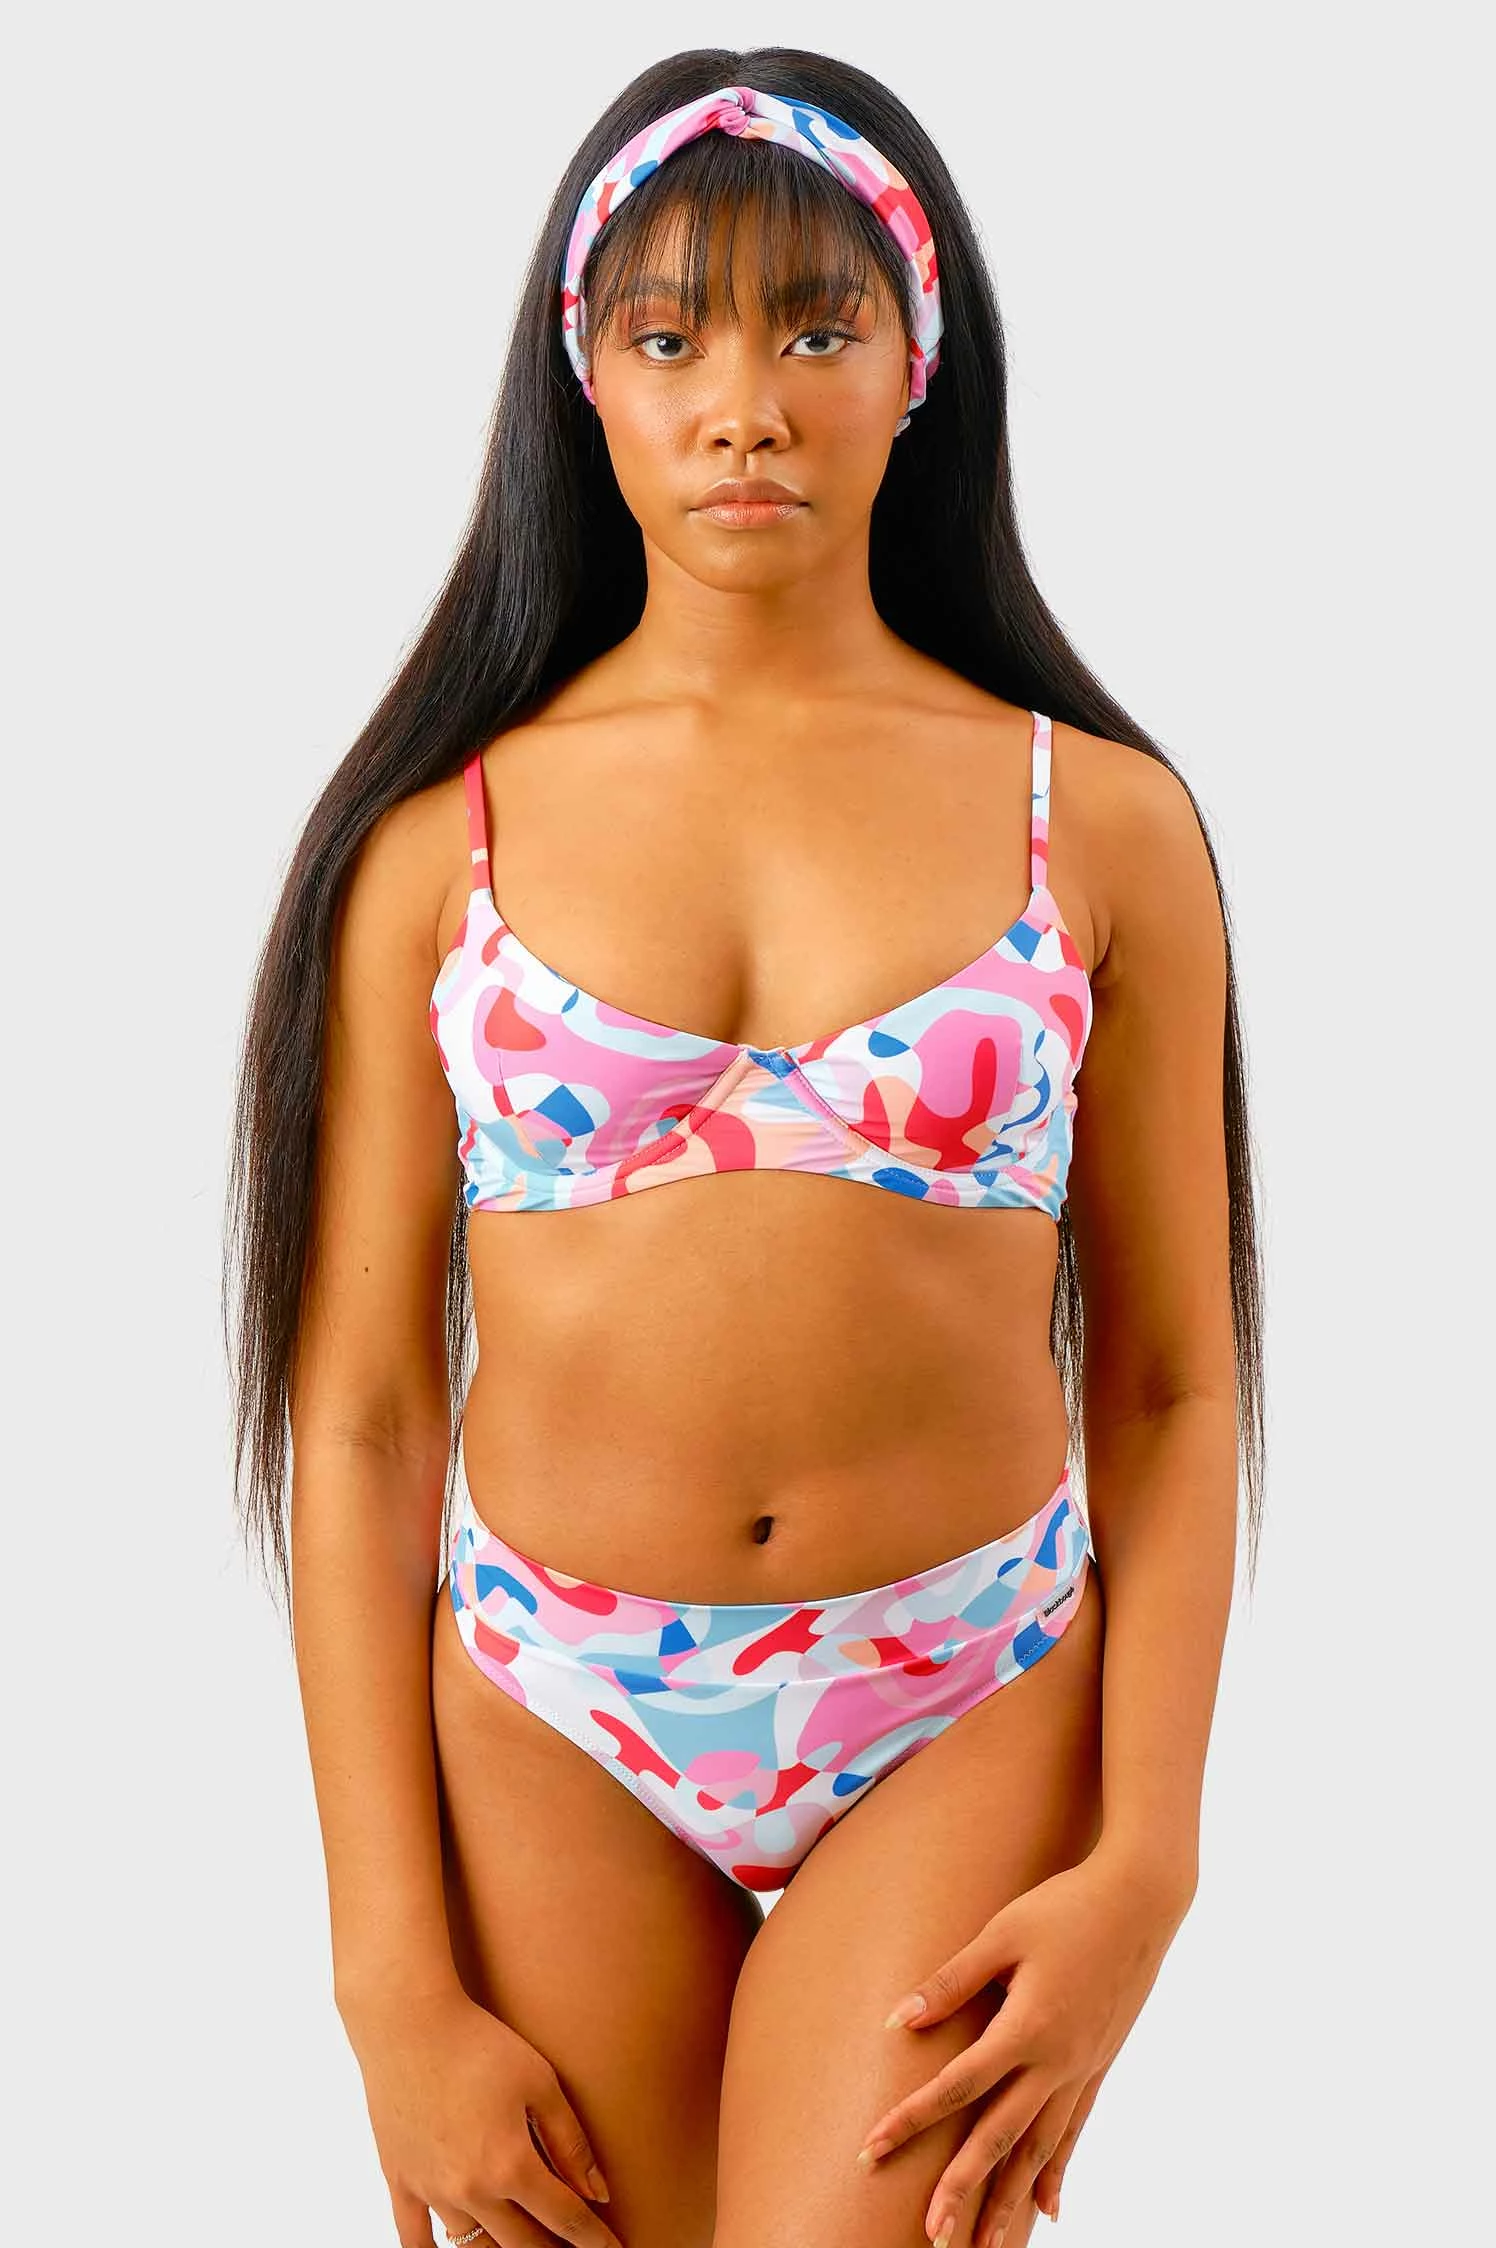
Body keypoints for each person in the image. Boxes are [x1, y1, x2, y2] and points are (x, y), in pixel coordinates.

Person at [224, 47, 1265, 2248]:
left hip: (963, 1683)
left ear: (918, 365)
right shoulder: (431, 844)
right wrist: (384, 1977)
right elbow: (366, 1412)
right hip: (549, 1704)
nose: (744, 407)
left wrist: (1149, 1860)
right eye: (670, 335)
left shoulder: (1104, 825)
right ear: (584, 380)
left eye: (815, 328)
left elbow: (1175, 1383)